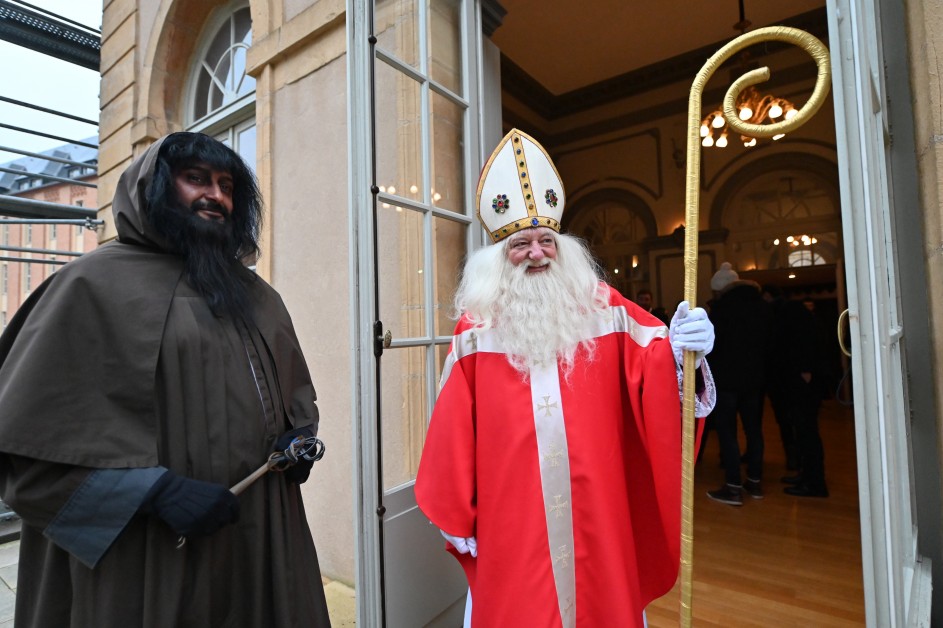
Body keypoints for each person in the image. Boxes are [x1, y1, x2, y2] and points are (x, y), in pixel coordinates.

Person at [0, 132, 332, 627]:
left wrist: (299, 438)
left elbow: (291, 397)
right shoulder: (87, 287)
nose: (214, 196)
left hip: (259, 539)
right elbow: (25, 450)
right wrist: (152, 493)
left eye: (226, 185)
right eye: (195, 179)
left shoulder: (258, 296)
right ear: (153, 189)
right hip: (146, 559)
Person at [414, 129, 716, 627]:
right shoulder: (475, 332)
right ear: (498, 255)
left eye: (545, 241)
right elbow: (452, 429)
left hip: (599, 512)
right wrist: (458, 513)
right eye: (521, 244)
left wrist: (686, 351)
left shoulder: (605, 309)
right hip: (511, 518)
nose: (537, 253)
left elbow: (656, 364)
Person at [704, 263, 773, 506]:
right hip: (755, 380)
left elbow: (711, 347)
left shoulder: (721, 310)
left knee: (728, 433)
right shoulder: (762, 307)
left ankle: (733, 487)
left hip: (726, 381)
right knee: (754, 430)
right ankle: (754, 482)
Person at [763, 285, 829, 497]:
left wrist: (804, 369)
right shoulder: (800, 317)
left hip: (802, 384)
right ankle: (806, 475)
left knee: (806, 432)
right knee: (803, 432)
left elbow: (797, 346)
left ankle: (814, 482)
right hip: (801, 383)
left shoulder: (790, 316)